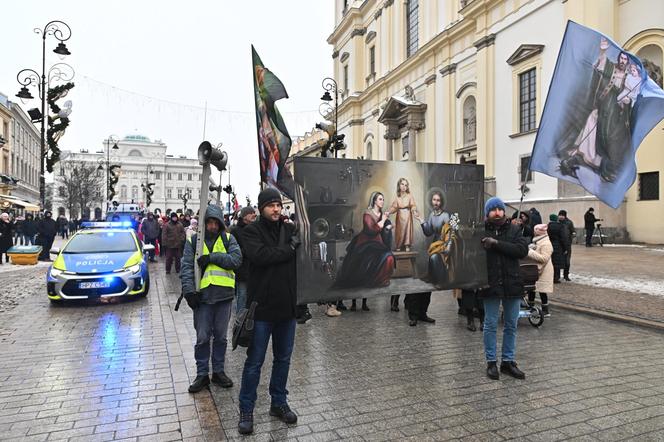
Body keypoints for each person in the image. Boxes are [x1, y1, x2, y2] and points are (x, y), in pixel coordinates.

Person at [237, 188, 300, 435]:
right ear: (261, 208)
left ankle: (279, 402)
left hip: (287, 308)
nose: (276, 209)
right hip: (261, 310)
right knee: (254, 362)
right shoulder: (251, 231)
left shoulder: (289, 230)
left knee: (283, 360)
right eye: (271, 205)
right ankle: (246, 409)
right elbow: (260, 256)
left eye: (278, 205)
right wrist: (289, 250)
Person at [181, 204, 242, 393]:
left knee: (221, 338)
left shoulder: (228, 239)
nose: (213, 226)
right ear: (204, 223)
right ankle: (202, 374)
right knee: (202, 338)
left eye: (216, 223)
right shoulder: (193, 242)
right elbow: (186, 267)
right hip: (203, 299)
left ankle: (218, 371)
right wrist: (189, 292)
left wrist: (213, 257)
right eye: (210, 222)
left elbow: (236, 260)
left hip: (224, 297)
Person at [480, 197, 529, 381]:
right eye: (493, 210)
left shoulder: (515, 230)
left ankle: (508, 362)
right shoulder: (481, 231)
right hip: (490, 283)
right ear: (487, 213)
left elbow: (521, 250)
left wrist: (496, 244)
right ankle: (491, 362)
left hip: (512, 283)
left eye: (500, 209)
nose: (498, 212)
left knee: (511, 324)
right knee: (490, 324)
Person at [334, 192, 395, 289]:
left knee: (388, 256)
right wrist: (383, 221)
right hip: (366, 242)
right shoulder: (368, 214)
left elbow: (385, 229)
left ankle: (381, 280)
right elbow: (371, 230)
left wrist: (388, 227)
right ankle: (368, 281)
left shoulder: (382, 214)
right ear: (374, 201)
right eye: (380, 199)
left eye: (383, 199)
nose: (382, 201)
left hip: (378, 243)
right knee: (367, 258)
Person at [230, 206, 257, 314]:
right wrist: (247, 251)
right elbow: (233, 250)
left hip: (254, 268)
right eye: (252, 213)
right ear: (245, 216)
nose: (254, 215)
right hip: (242, 269)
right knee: (242, 295)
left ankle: (251, 317)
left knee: (253, 295)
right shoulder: (235, 231)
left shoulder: (255, 229)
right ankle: (240, 320)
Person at [526, 224, 554, 317]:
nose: (533, 232)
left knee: (542, 290)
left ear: (539, 232)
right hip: (536, 269)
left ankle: (545, 311)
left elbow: (544, 258)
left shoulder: (546, 243)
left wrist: (530, 252)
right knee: (532, 289)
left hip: (544, 270)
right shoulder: (538, 241)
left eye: (535, 230)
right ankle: (530, 307)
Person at [388, 178, 418, 252]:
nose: (404, 186)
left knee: (407, 230)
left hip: (408, 215)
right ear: (399, 185)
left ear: (407, 187)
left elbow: (413, 205)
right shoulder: (397, 197)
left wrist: (413, 210)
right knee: (399, 231)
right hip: (399, 216)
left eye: (406, 185)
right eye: (402, 184)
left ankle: (407, 245)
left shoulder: (409, 196)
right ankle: (399, 244)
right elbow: (394, 207)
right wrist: (388, 212)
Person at [547, 214, 570, 284]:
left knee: (551, 262)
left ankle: (550, 277)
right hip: (558, 246)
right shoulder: (560, 226)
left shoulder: (547, 226)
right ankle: (556, 278)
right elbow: (563, 238)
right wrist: (565, 248)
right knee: (557, 263)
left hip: (549, 245)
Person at [558, 210, 576, 280]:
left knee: (567, 261)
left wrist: (570, 238)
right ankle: (557, 276)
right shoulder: (557, 222)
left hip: (567, 245)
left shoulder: (569, 222)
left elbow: (573, 232)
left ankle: (566, 275)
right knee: (558, 261)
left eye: (562, 215)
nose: (561, 216)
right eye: (560, 215)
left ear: (565, 216)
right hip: (559, 245)